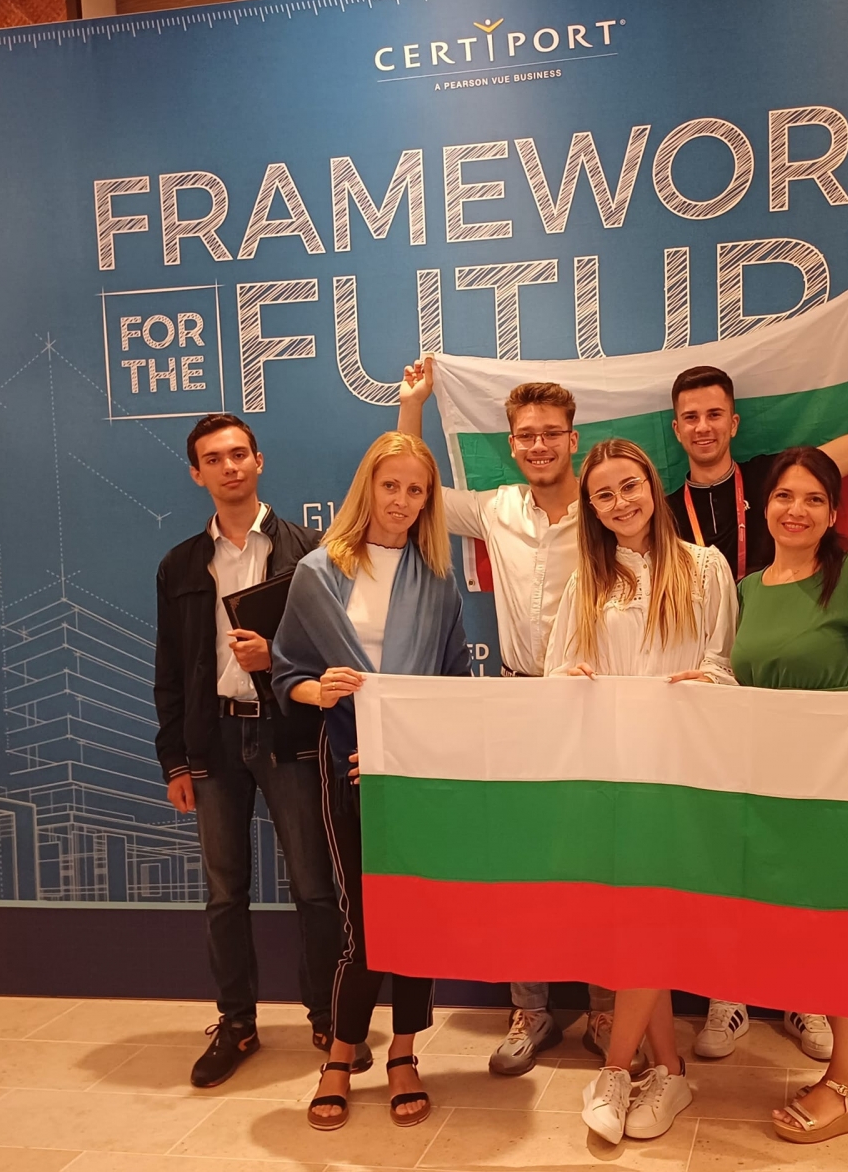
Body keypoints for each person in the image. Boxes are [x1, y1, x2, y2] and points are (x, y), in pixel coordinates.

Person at [682, 288, 848, 1063]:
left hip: (820, 724)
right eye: (689, 416)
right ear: (675, 428)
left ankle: (809, 1002)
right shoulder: (662, 507)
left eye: (715, 413)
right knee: (738, 867)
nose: (703, 426)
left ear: (735, 422)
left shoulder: (778, 476)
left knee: (815, 884)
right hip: (733, 710)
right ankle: (730, 995)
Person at [398, 371, 622, 1074]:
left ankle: (607, 1009)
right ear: (512, 443)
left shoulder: (608, 508)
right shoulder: (497, 509)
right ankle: (531, 1009)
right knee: (522, 867)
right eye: (526, 435)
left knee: (601, 866)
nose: (538, 445)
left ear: (573, 440)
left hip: (597, 705)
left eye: (551, 433)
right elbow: (414, 488)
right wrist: (412, 407)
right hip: (519, 698)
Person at [272, 431, 470, 1130]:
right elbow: (288, 673)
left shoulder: (438, 578)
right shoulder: (318, 572)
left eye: (416, 490)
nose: (402, 501)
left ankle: (405, 1054)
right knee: (363, 921)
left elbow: (454, 684)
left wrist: (408, 750)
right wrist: (319, 692)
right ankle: (340, 1055)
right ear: (368, 487)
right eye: (392, 486)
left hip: (414, 774)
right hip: (345, 766)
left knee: (414, 917)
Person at [543, 438, 737, 1144]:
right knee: (636, 924)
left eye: (629, 486)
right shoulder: (585, 582)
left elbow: (724, 661)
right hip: (613, 776)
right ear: (591, 509)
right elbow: (557, 673)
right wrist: (572, 682)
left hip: (682, 772)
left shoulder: (704, 567)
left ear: (653, 487)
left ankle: (617, 1070)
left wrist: (706, 682)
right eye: (604, 494)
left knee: (654, 921)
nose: (620, 502)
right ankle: (670, 1071)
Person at [732, 446, 848, 1145]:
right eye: (785, 496)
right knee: (805, 928)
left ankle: (847, 1083)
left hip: (840, 783)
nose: (797, 510)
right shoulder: (747, 590)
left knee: (847, 928)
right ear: (763, 506)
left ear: (834, 512)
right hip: (772, 786)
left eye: (814, 499)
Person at [154, 414, 344, 1088]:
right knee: (224, 893)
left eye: (239, 453)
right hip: (213, 741)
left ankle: (330, 1019)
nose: (229, 466)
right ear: (196, 474)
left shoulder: (311, 551)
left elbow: (337, 654)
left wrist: (276, 658)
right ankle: (236, 1024)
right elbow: (171, 670)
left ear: (259, 461)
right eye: (214, 458)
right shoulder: (180, 564)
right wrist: (175, 760)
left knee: (315, 888)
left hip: (291, 735)